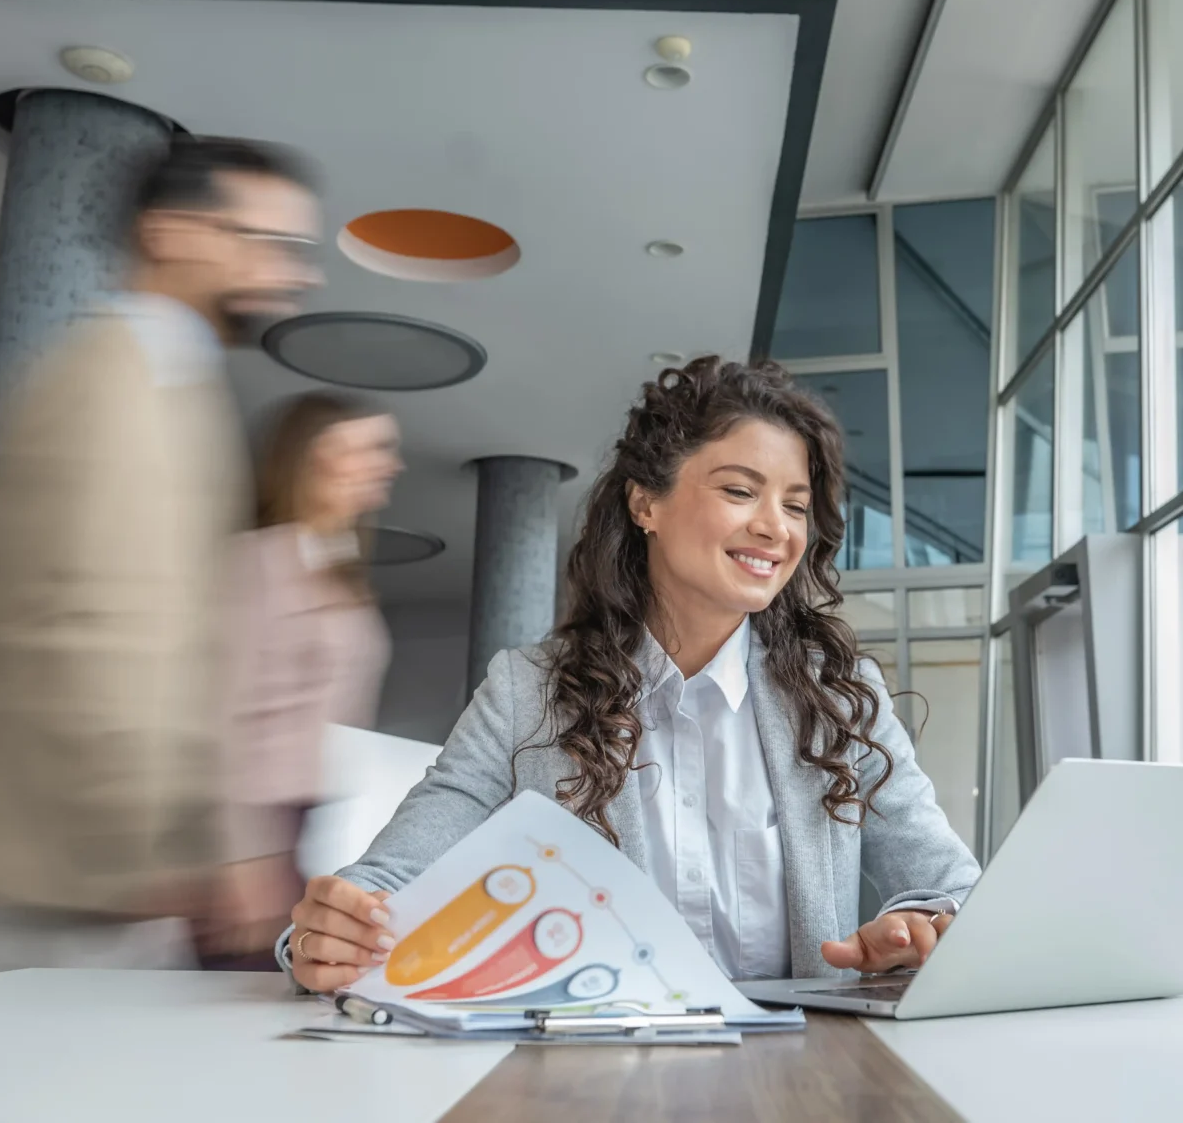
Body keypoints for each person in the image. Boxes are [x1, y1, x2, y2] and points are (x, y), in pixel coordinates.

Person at [282, 356, 979, 991]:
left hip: (795, 1073)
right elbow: (386, 880)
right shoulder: (526, 693)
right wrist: (321, 936)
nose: (776, 528)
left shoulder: (836, 695)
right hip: (596, 1075)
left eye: (795, 505)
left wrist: (922, 923)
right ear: (645, 503)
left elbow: (951, 885)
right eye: (741, 490)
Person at [0, 136, 323, 979]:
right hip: (47, 878)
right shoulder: (107, 382)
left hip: (86, 876)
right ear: (169, 231)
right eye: (263, 240)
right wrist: (172, 848)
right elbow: (88, 631)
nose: (294, 274)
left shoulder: (172, 384)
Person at [204, 393, 404, 970]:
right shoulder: (257, 561)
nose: (386, 464)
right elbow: (221, 713)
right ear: (312, 457)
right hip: (251, 827)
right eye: (366, 448)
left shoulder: (331, 563)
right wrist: (241, 857)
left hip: (301, 822)